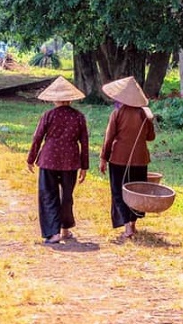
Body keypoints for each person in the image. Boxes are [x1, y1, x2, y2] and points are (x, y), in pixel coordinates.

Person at [27, 76, 89, 244]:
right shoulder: (78, 117)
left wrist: (31, 158)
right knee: (67, 196)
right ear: (70, 99)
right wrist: (84, 166)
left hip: (49, 159)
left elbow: (37, 137)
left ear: (54, 99)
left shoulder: (48, 115)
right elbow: (84, 142)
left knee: (48, 195)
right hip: (71, 160)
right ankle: (65, 229)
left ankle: (53, 233)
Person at [99, 76, 155, 239]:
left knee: (119, 191)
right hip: (140, 159)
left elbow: (109, 139)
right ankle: (132, 224)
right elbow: (151, 137)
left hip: (118, 159)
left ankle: (127, 227)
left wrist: (103, 158)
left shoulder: (117, 113)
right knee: (136, 191)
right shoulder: (145, 114)